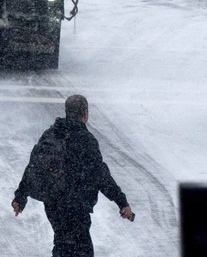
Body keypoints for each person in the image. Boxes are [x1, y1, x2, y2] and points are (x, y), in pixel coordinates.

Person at [12, 94, 136, 257]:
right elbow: (101, 176)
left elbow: (34, 166)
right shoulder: (86, 140)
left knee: (63, 244)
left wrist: (20, 197)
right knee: (80, 250)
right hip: (75, 206)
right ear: (85, 113)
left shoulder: (51, 134)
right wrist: (122, 202)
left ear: (66, 111)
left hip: (54, 204)